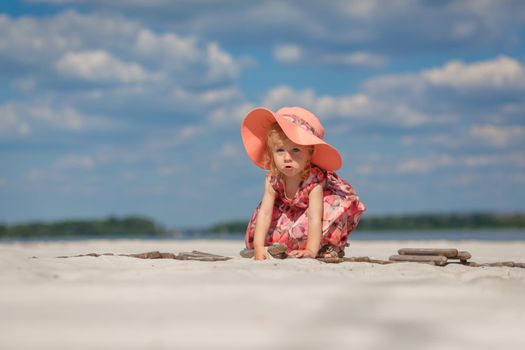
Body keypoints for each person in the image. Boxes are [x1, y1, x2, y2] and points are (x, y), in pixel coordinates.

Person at [240, 106, 366, 260]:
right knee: (263, 214)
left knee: (331, 206)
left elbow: (314, 217)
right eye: (280, 150)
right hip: (290, 216)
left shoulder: (313, 180)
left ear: (309, 153)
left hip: (315, 218)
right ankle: (279, 247)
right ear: (271, 154)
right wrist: (259, 247)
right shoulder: (273, 179)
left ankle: (327, 246)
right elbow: (265, 214)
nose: (287, 157)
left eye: (295, 150)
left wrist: (311, 251)